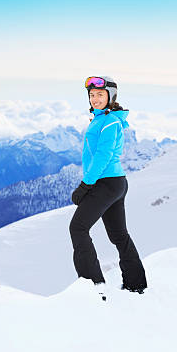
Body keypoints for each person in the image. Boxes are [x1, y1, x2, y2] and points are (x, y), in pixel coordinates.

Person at [69, 76, 147, 295]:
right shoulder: (103, 119)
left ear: (111, 96)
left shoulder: (109, 121)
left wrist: (85, 185)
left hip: (106, 183)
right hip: (115, 183)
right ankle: (136, 283)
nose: (95, 99)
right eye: (92, 95)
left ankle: (93, 286)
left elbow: (103, 156)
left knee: (78, 228)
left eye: (100, 95)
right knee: (119, 235)